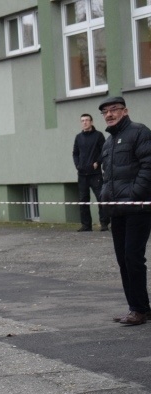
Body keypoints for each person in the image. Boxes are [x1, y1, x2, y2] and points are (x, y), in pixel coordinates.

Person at [98, 96, 151, 326]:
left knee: (132, 257)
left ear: (125, 111)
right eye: (105, 112)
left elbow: (149, 165)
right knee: (123, 260)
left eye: (114, 110)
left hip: (137, 208)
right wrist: (105, 198)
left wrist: (135, 193)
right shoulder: (108, 143)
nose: (109, 114)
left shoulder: (139, 132)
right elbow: (107, 176)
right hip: (116, 209)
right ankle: (137, 308)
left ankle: (139, 309)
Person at [73, 113, 108, 232]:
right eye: (82, 120)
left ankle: (104, 223)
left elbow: (104, 150)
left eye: (87, 120)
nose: (84, 122)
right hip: (82, 174)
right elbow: (75, 153)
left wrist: (97, 162)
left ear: (91, 122)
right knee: (83, 200)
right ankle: (86, 225)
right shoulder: (78, 137)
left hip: (95, 174)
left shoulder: (98, 135)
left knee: (101, 198)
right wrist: (77, 165)